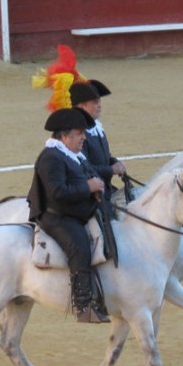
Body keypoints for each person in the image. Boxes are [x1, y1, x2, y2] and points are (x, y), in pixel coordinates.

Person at [27, 108, 111, 324]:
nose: (84, 137)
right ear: (64, 136)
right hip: (56, 216)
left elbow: (90, 171)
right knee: (80, 245)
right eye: (79, 133)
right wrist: (87, 187)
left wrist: (96, 189)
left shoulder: (74, 153)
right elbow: (57, 193)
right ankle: (83, 306)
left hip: (77, 210)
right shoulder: (50, 158)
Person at [69, 80, 126, 198]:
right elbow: (83, 168)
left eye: (99, 101)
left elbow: (103, 158)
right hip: (90, 194)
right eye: (95, 102)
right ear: (81, 106)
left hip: (104, 188)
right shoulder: (76, 134)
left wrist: (114, 162)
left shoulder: (96, 127)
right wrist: (111, 170)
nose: (99, 105)